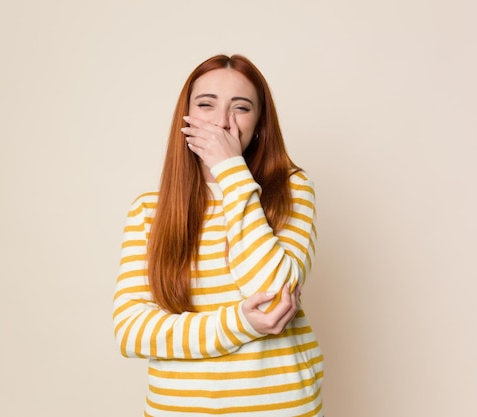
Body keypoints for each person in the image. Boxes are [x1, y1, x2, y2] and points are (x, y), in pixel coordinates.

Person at [113, 54, 324, 416]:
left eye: (240, 108)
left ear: (259, 124)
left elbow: (275, 303)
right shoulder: (149, 210)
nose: (222, 122)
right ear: (186, 116)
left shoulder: (292, 190)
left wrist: (230, 171)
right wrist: (240, 322)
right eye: (206, 104)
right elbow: (132, 330)